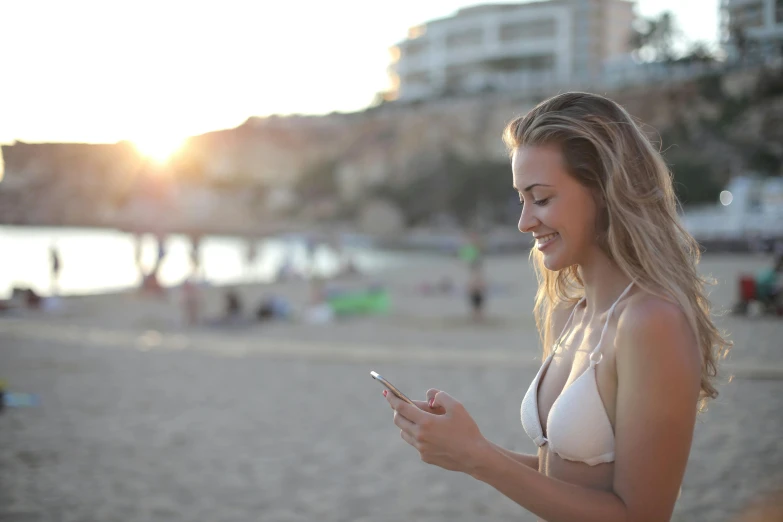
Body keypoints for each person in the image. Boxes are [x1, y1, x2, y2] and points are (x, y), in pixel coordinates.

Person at [381, 92, 731, 522]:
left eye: (541, 198)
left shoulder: (651, 321)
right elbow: (563, 479)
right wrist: (469, 448)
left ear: (605, 192)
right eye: (521, 199)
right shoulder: (572, 312)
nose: (524, 221)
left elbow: (642, 515)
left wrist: (478, 458)